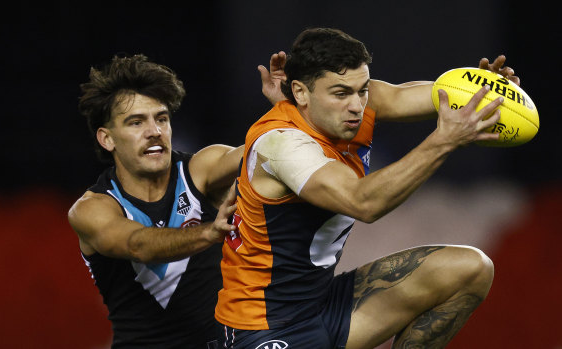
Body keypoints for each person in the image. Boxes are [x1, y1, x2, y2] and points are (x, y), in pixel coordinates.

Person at [216, 27, 521, 348]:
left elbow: (411, 95)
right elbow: (363, 203)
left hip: (323, 305)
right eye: (341, 93)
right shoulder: (282, 144)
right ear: (301, 93)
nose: (356, 105)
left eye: (362, 90)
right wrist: (443, 141)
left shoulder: (348, 107)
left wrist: (482, 92)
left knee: (470, 269)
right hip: (267, 327)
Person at [67, 53, 285, 348]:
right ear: (107, 139)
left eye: (162, 119)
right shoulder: (92, 209)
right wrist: (208, 232)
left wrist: (287, 110)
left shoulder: (201, 169)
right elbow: (138, 245)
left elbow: (263, 150)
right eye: (136, 122)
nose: (154, 131)